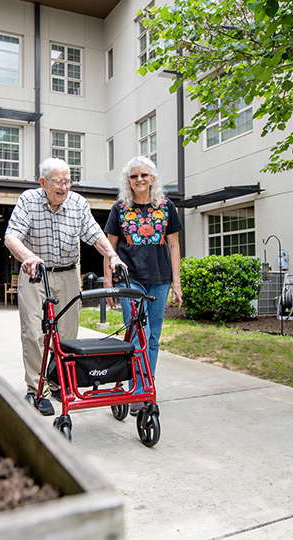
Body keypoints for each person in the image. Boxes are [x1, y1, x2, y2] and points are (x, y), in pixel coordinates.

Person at [5, 157, 124, 416]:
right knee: (34, 332)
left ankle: (56, 379)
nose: (64, 187)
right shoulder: (29, 200)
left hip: (68, 273)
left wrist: (112, 255)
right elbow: (11, 235)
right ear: (43, 182)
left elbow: (95, 234)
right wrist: (28, 256)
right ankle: (37, 389)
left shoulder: (78, 203)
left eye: (68, 181)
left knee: (68, 334)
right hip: (36, 272)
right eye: (58, 182)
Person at [103, 156, 183, 415]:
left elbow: (174, 246)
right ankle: (138, 393)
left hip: (160, 279)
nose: (139, 180)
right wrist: (108, 282)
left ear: (153, 178)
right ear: (128, 181)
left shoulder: (167, 207)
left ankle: (146, 385)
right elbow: (109, 247)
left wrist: (177, 284)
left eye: (144, 175)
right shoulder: (120, 208)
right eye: (134, 176)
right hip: (130, 280)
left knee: (153, 337)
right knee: (138, 335)